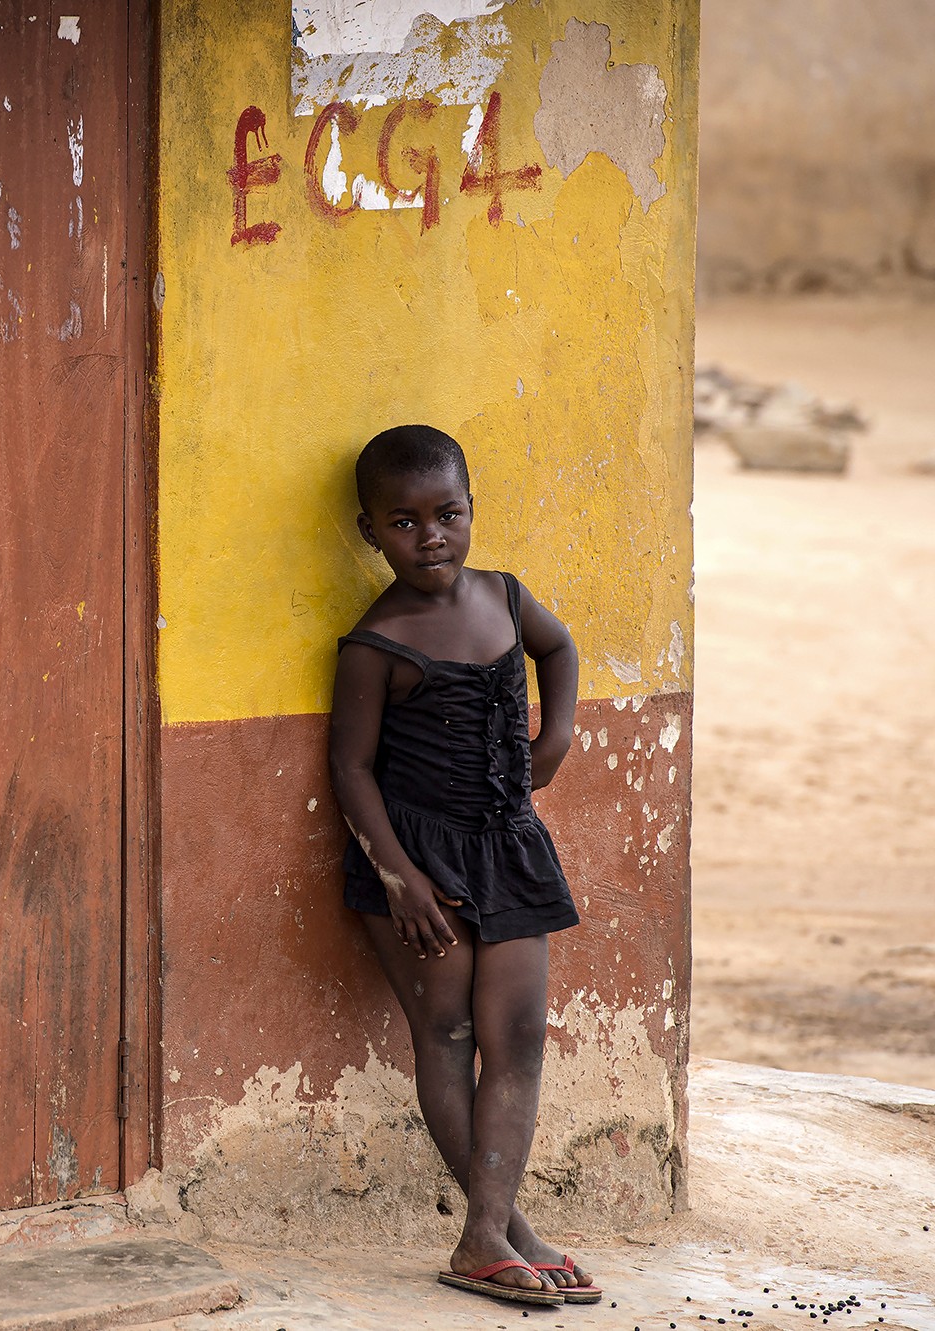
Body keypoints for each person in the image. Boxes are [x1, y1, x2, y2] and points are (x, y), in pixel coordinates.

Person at [326, 423, 601, 1309]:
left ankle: (497, 1230)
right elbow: (351, 768)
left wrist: (554, 732)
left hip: (509, 845)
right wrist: (398, 877)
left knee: (516, 1035)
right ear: (371, 532)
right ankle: (495, 1234)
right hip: (419, 863)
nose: (430, 535)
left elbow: (555, 650)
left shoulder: (507, 597)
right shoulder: (376, 642)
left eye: (447, 514)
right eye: (403, 522)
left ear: (472, 510)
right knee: (446, 1035)